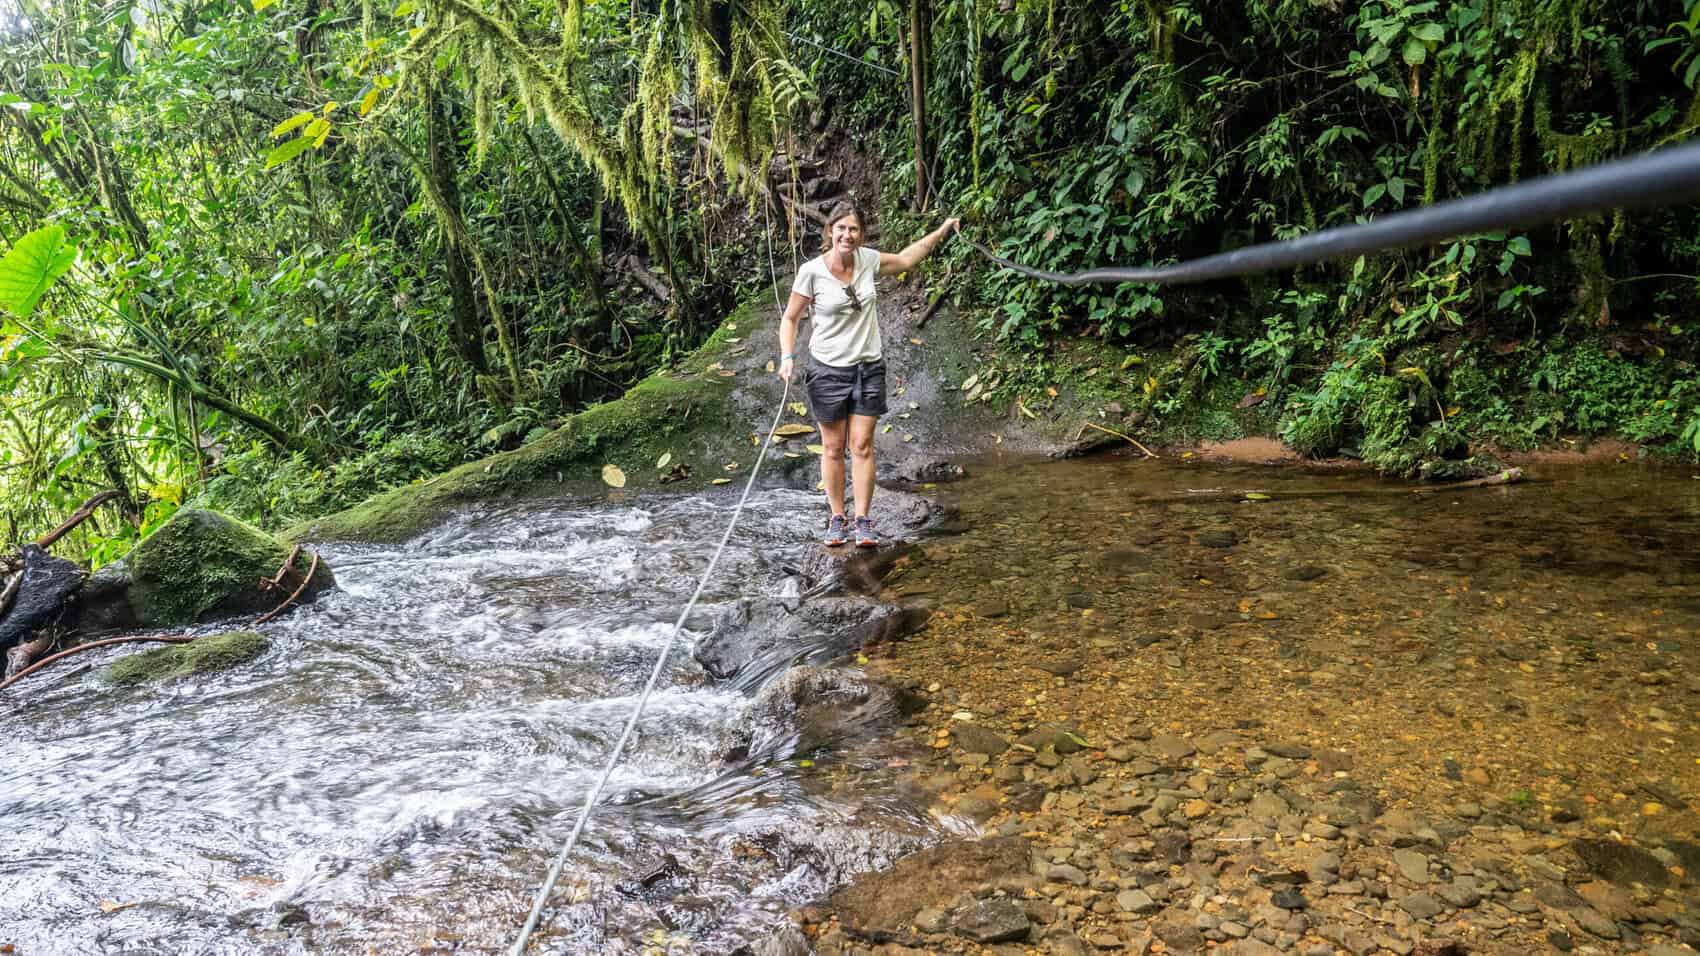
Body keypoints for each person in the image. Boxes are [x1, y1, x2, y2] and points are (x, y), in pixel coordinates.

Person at [777, 200, 960, 548]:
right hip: (828, 371)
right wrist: (787, 356)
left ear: (861, 235)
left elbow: (906, 259)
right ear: (830, 231)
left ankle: (862, 519)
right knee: (833, 448)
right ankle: (837, 517)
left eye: (854, 229)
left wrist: (943, 230)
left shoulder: (868, 260)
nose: (847, 235)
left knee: (861, 445)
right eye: (841, 228)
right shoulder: (811, 272)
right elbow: (790, 318)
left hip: (867, 368)